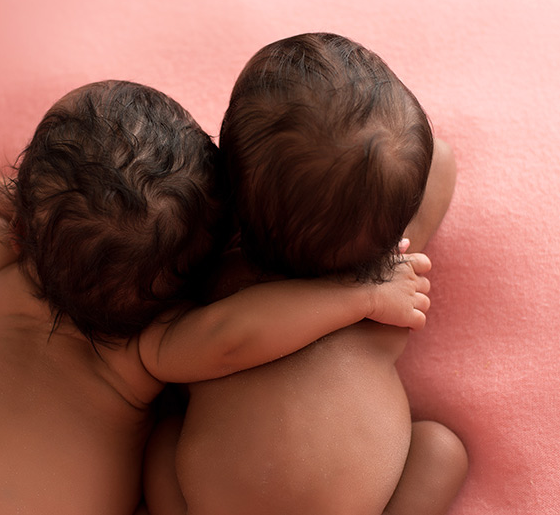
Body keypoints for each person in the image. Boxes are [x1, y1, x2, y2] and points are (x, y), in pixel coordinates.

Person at [0, 79, 433, 515]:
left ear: (20, 233)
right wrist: (360, 297)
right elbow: (237, 336)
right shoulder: (145, 349)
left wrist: (53, 216)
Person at [143, 33, 467, 515]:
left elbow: (167, 354)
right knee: (442, 450)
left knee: (163, 432)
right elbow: (439, 159)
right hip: (354, 504)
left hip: (219, 503)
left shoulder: (220, 280)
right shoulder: (388, 279)